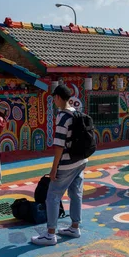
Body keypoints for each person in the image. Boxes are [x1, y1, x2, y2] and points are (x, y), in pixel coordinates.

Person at [32, 85, 86, 246]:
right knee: (76, 193)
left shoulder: (62, 117)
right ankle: (75, 227)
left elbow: (59, 145)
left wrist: (54, 168)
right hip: (81, 161)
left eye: (54, 98)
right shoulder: (77, 113)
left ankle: (50, 234)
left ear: (58, 97)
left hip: (67, 163)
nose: (54, 101)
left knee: (53, 196)